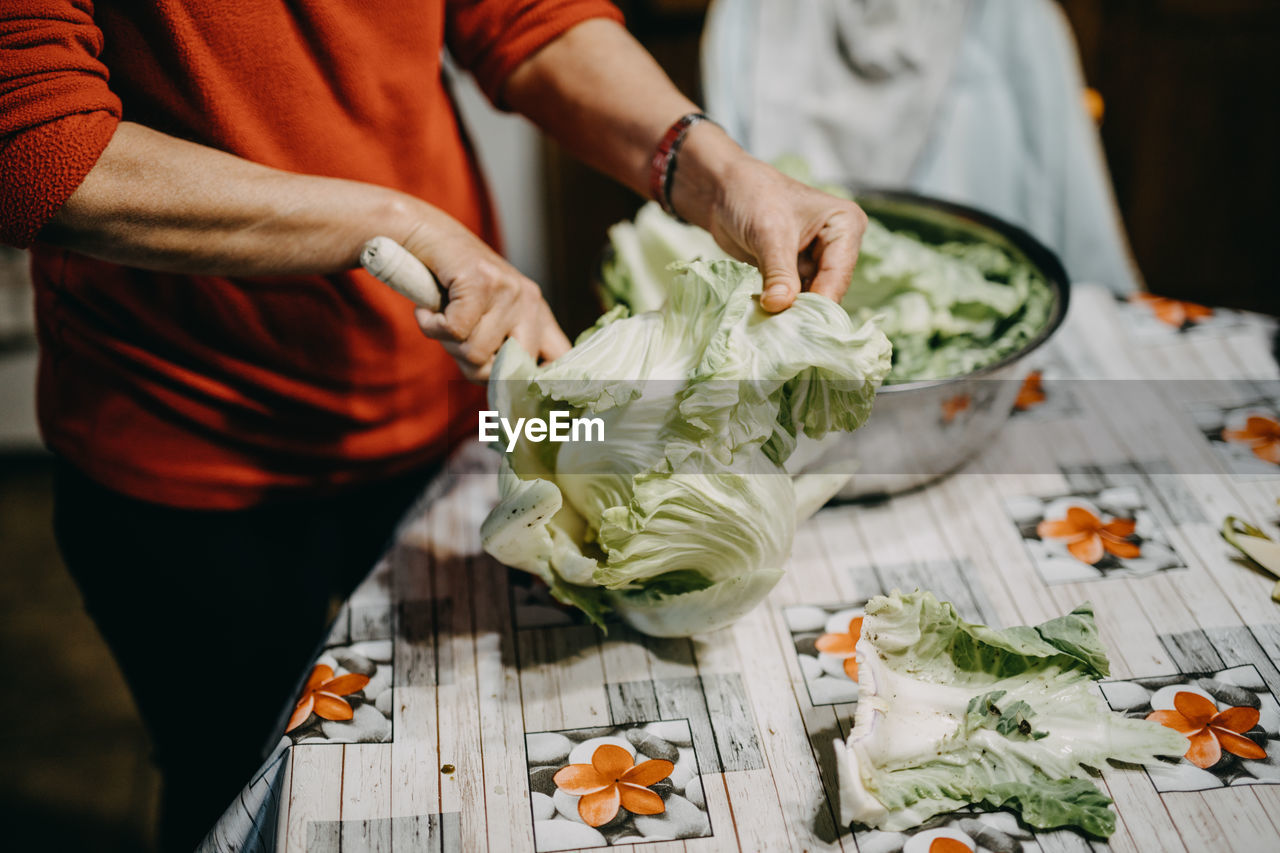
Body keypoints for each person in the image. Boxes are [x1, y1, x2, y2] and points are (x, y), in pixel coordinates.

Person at [1, 2, 868, 849]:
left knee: (450, 763)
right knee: (235, 779)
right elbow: (37, 149)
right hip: (187, 438)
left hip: (441, 400)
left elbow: (525, 15)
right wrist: (398, 221)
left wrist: (712, 170)